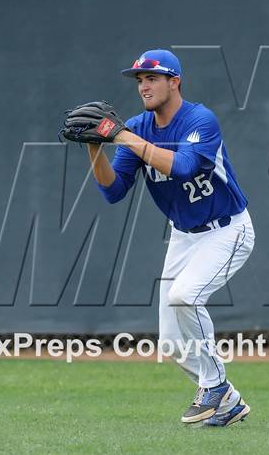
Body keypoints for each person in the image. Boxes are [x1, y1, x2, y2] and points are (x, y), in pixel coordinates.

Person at [86, 49, 255, 427]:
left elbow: (184, 166)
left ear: (174, 81)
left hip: (227, 230)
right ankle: (228, 402)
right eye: (139, 79)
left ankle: (214, 385)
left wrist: (124, 137)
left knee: (185, 297)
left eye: (152, 78)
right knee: (172, 343)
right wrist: (94, 147)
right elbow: (113, 191)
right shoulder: (137, 127)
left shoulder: (200, 120)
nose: (143, 85)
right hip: (184, 236)